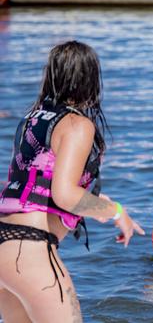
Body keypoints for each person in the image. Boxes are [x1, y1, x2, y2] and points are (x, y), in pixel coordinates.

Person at [0, 41, 145, 322]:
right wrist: (116, 211)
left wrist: (93, 202)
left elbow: (39, 184)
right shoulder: (78, 125)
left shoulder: (32, 118)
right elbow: (65, 194)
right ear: (90, 80)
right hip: (29, 251)